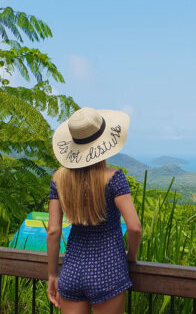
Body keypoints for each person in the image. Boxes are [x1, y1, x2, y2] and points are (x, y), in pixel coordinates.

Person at [46, 107, 142, 314]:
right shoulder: (114, 178)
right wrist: (131, 258)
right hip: (108, 270)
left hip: (71, 272)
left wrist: (52, 275)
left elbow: (53, 231)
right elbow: (134, 227)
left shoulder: (58, 180)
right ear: (103, 144)